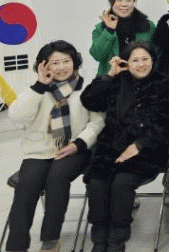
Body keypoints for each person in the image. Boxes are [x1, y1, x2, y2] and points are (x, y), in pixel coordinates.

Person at [6, 41, 104, 252]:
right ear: (44, 66)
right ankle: (15, 246)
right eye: (55, 63)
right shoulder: (36, 90)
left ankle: (50, 240)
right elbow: (16, 116)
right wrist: (39, 86)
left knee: (57, 178)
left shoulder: (87, 88)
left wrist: (79, 143)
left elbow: (97, 122)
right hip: (39, 151)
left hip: (74, 149)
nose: (61, 67)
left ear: (75, 62)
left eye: (66, 61)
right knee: (26, 186)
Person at [81, 41, 169, 252]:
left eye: (145, 59)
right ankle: (99, 241)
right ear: (126, 62)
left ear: (153, 60)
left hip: (147, 151)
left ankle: (117, 242)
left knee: (121, 183)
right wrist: (109, 75)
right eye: (135, 60)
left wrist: (139, 145)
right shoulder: (117, 82)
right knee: (97, 184)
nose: (141, 64)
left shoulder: (164, 84)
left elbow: (166, 124)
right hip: (110, 148)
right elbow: (89, 101)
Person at [90, 0, 156, 76]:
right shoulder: (101, 28)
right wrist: (109, 30)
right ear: (111, 2)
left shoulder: (148, 26)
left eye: (128, 0)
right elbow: (97, 55)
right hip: (111, 80)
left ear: (134, 2)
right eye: (119, 0)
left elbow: (156, 55)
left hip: (141, 80)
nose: (124, 4)